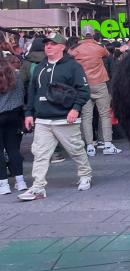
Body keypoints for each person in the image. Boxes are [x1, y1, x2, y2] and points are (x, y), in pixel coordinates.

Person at [19, 31, 92, 201]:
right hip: (43, 119)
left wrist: (76, 108)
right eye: (46, 44)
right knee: (40, 153)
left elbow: (84, 90)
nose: (48, 47)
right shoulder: (40, 67)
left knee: (76, 149)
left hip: (65, 118)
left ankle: (85, 174)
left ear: (62, 47)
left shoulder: (73, 66)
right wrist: (29, 113)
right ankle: (38, 187)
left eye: (52, 44)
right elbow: (32, 91)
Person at [69, 26, 121, 156]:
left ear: (81, 35)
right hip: (100, 83)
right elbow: (107, 54)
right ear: (93, 34)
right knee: (104, 114)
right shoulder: (99, 48)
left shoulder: (76, 50)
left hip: (84, 85)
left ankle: (90, 146)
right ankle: (107, 144)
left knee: (86, 117)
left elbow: (69, 55)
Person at [0, 55, 27, 194]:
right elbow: (21, 94)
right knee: (13, 149)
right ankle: (20, 181)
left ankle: (3, 184)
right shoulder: (15, 74)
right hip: (14, 114)